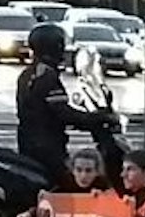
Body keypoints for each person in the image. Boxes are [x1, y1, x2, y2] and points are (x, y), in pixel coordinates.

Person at [15, 22, 120, 190]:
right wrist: (100, 117)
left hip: (31, 142)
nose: (63, 50)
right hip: (46, 146)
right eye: (61, 45)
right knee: (72, 183)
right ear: (53, 47)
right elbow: (64, 113)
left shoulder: (29, 73)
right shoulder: (46, 76)